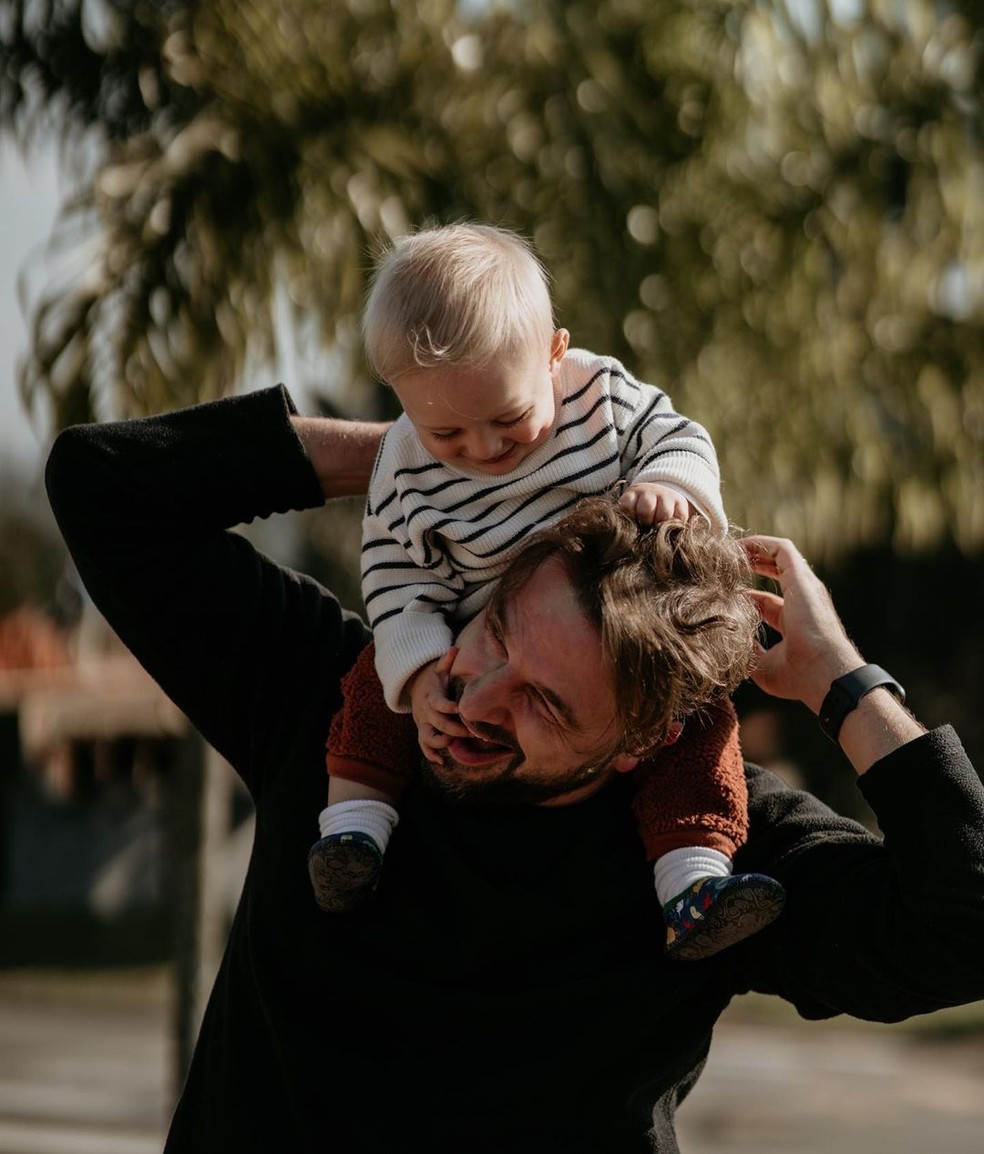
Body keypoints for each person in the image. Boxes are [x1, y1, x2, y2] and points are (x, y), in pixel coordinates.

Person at [45, 386, 984, 1154]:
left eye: (545, 701)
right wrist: (445, 446)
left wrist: (842, 682)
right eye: (493, 630)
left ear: (645, 743)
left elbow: (964, 926)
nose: (477, 694)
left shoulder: (706, 850)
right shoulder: (337, 701)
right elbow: (104, 483)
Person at [309, 222, 784, 958]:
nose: (485, 450)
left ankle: (693, 880)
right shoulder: (402, 464)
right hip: (467, 623)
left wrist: (667, 483)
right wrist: (421, 664)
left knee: (695, 723)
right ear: (402, 404)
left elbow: (682, 437)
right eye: (448, 434)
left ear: (555, 355)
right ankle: (351, 833)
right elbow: (394, 575)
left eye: (508, 419)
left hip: (614, 637)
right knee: (374, 686)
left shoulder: (601, 397)